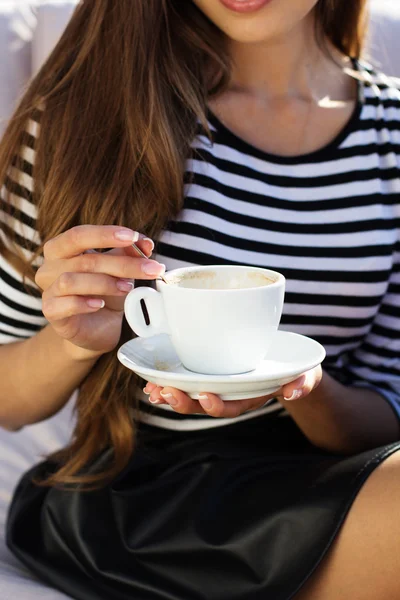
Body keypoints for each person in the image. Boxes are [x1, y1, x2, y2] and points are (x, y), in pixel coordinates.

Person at [0, 1, 399, 598]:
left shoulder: (389, 134)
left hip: (328, 479)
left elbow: (384, 418)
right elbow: (6, 400)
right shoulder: (80, 118)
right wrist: (74, 341)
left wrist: (304, 388)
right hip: (137, 499)